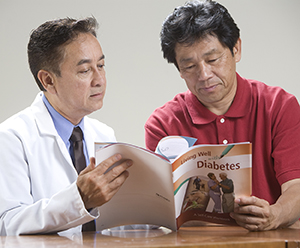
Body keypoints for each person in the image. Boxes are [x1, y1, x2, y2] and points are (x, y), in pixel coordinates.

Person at [144, 0, 300, 231]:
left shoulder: (279, 106)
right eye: (189, 66)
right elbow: (161, 206)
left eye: (213, 60)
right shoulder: (163, 124)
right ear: (178, 69)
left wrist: (275, 215)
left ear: (236, 49)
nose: (204, 75)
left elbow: (296, 186)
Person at [0, 17, 133, 236]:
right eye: (85, 71)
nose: (99, 80)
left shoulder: (103, 133)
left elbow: (111, 221)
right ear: (48, 81)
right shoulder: (11, 138)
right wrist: (79, 198)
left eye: (100, 65)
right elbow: (8, 224)